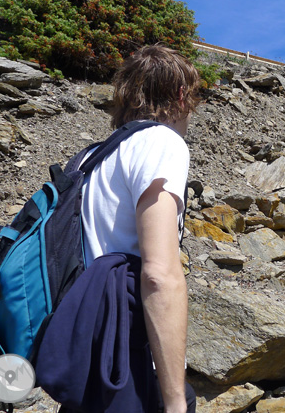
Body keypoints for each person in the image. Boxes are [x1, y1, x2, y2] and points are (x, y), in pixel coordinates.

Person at [80, 44, 200, 412]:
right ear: (181, 95)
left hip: (87, 352)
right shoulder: (162, 143)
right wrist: (175, 401)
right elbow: (159, 274)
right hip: (127, 361)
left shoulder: (93, 157)